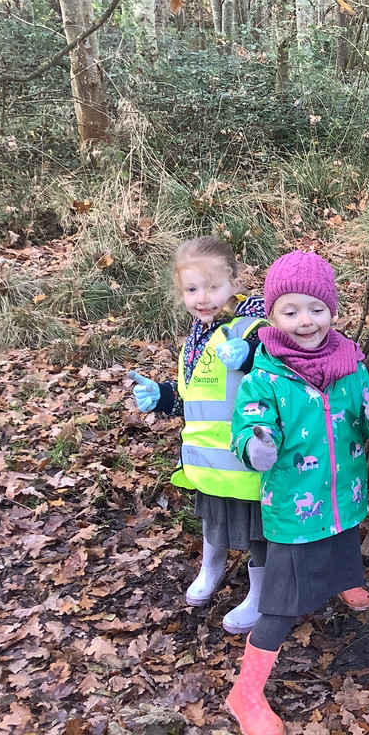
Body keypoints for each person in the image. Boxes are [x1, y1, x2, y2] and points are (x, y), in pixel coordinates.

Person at [225, 251, 369, 735]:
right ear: (272, 315)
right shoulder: (265, 375)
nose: (306, 321)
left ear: (331, 310)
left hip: (343, 494)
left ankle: (342, 581)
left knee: (343, 543)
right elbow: (250, 425)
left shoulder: (350, 363)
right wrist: (255, 446)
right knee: (281, 602)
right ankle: (246, 693)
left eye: (317, 309)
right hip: (296, 507)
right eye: (291, 311)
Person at [128, 235, 267, 634]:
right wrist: (163, 397)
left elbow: (278, 365)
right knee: (213, 518)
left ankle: (260, 595)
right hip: (209, 460)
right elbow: (196, 397)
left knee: (259, 529)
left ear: (234, 281)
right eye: (191, 289)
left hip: (248, 459)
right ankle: (211, 569)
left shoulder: (252, 328)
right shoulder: (196, 337)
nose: (202, 298)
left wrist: (252, 356)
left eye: (212, 287)